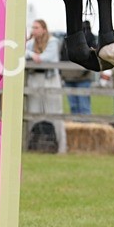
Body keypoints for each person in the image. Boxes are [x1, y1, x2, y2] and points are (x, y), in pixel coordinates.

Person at [25, 19, 66, 153]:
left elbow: (46, 58)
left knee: (55, 112)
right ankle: (33, 144)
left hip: (50, 78)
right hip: (34, 77)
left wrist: (33, 56)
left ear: (44, 29)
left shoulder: (53, 41)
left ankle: (60, 147)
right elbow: (22, 53)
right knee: (33, 110)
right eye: (33, 28)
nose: (34, 30)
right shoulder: (30, 43)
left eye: (37, 27)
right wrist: (32, 55)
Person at [61, 20, 97, 116]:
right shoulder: (89, 37)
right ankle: (80, 128)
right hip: (72, 75)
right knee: (79, 105)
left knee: (80, 105)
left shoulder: (69, 36)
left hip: (77, 76)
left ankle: (83, 128)